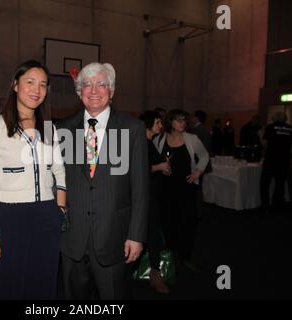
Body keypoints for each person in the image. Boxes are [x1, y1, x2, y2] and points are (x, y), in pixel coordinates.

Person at [0, 60, 66, 299]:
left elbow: (59, 170)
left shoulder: (49, 128)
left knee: (44, 286)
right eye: (30, 82)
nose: (37, 89)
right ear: (15, 85)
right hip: (8, 216)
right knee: (8, 285)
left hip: (47, 215)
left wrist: (61, 209)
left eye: (43, 84)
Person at [56, 62, 149, 300]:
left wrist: (136, 235)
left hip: (114, 238)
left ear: (112, 91)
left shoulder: (133, 128)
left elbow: (140, 189)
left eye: (101, 84)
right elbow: (55, 182)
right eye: (87, 85)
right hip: (72, 240)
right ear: (79, 92)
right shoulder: (61, 129)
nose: (94, 90)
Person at [154, 109, 209, 271]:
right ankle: (170, 253)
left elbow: (204, 156)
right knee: (167, 222)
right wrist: (161, 169)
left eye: (184, 120)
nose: (182, 123)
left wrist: (197, 171)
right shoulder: (159, 139)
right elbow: (156, 161)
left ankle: (185, 256)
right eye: (178, 120)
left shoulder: (192, 139)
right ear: (170, 122)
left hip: (186, 188)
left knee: (188, 223)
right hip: (166, 188)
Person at [139, 110, 170, 294]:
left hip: (153, 195)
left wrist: (163, 168)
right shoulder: (141, 143)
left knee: (153, 235)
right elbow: (138, 169)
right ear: (149, 124)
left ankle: (154, 274)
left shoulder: (150, 143)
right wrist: (159, 166)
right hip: (145, 197)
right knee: (151, 235)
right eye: (157, 122)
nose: (160, 125)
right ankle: (154, 275)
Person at [260, 111, 292, 212]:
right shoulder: (291, 129)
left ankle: (265, 204)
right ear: (284, 118)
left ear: (275, 118)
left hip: (271, 160)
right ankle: (277, 204)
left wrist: (260, 136)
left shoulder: (270, 127)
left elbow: (264, 144)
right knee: (279, 184)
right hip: (284, 160)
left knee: (265, 182)